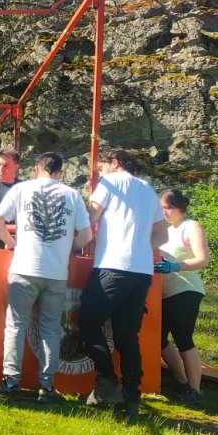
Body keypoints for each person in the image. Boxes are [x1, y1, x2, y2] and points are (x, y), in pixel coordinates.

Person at [0, 152, 92, 403]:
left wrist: (12, 243)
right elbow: (86, 236)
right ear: (60, 172)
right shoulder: (72, 195)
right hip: (56, 272)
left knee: (16, 325)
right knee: (49, 329)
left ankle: (11, 382)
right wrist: (67, 247)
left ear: (37, 169)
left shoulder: (22, 189)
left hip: (24, 266)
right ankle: (46, 388)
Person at [78, 148, 166, 420]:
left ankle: (106, 381)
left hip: (112, 265)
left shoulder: (111, 183)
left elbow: (89, 219)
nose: (98, 174)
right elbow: (161, 236)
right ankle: (131, 396)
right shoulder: (149, 190)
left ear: (114, 164)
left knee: (88, 322)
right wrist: (138, 245)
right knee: (127, 334)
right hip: (141, 271)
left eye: (100, 168)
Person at [155, 188, 210, 405]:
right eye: (161, 209)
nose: (164, 212)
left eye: (168, 208)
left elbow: (202, 259)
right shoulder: (165, 231)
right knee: (158, 338)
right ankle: (181, 381)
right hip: (165, 294)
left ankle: (195, 391)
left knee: (183, 339)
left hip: (186, 290)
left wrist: (175, 266)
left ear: (180, 207)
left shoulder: (191, 226)